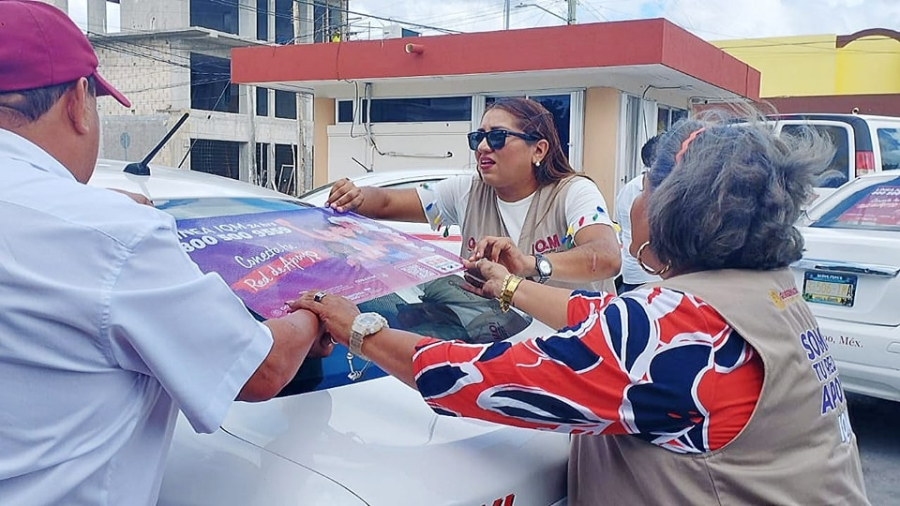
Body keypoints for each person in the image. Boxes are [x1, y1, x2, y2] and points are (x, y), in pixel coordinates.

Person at [291, 112, 870, 505]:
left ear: (680, 204)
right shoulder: (769, 292)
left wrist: (357, 327)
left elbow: (470, 377)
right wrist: (507, 288)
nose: (637, 201)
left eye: (646, 188)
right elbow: (609, 334)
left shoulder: (679, 327)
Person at [0, 2, 330, 504]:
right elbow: (259, 370)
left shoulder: (96, 225)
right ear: (76, 102)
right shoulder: (116, 236)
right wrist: (317, 315)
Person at [325, 97, 621, 292]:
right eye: (478, 137)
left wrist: (529, 264)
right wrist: (356, 196)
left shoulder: (573, 193)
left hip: (571, 352)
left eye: (497, 137)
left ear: (538, 149)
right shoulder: (466, 190)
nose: (482, 147)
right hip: (495, 353)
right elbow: (388, 203)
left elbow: (606, 257)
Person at [614, 134, 661, 293]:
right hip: (654, 275)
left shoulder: (626, 189)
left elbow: (620, 228)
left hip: (632, 273)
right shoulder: (663, 192)